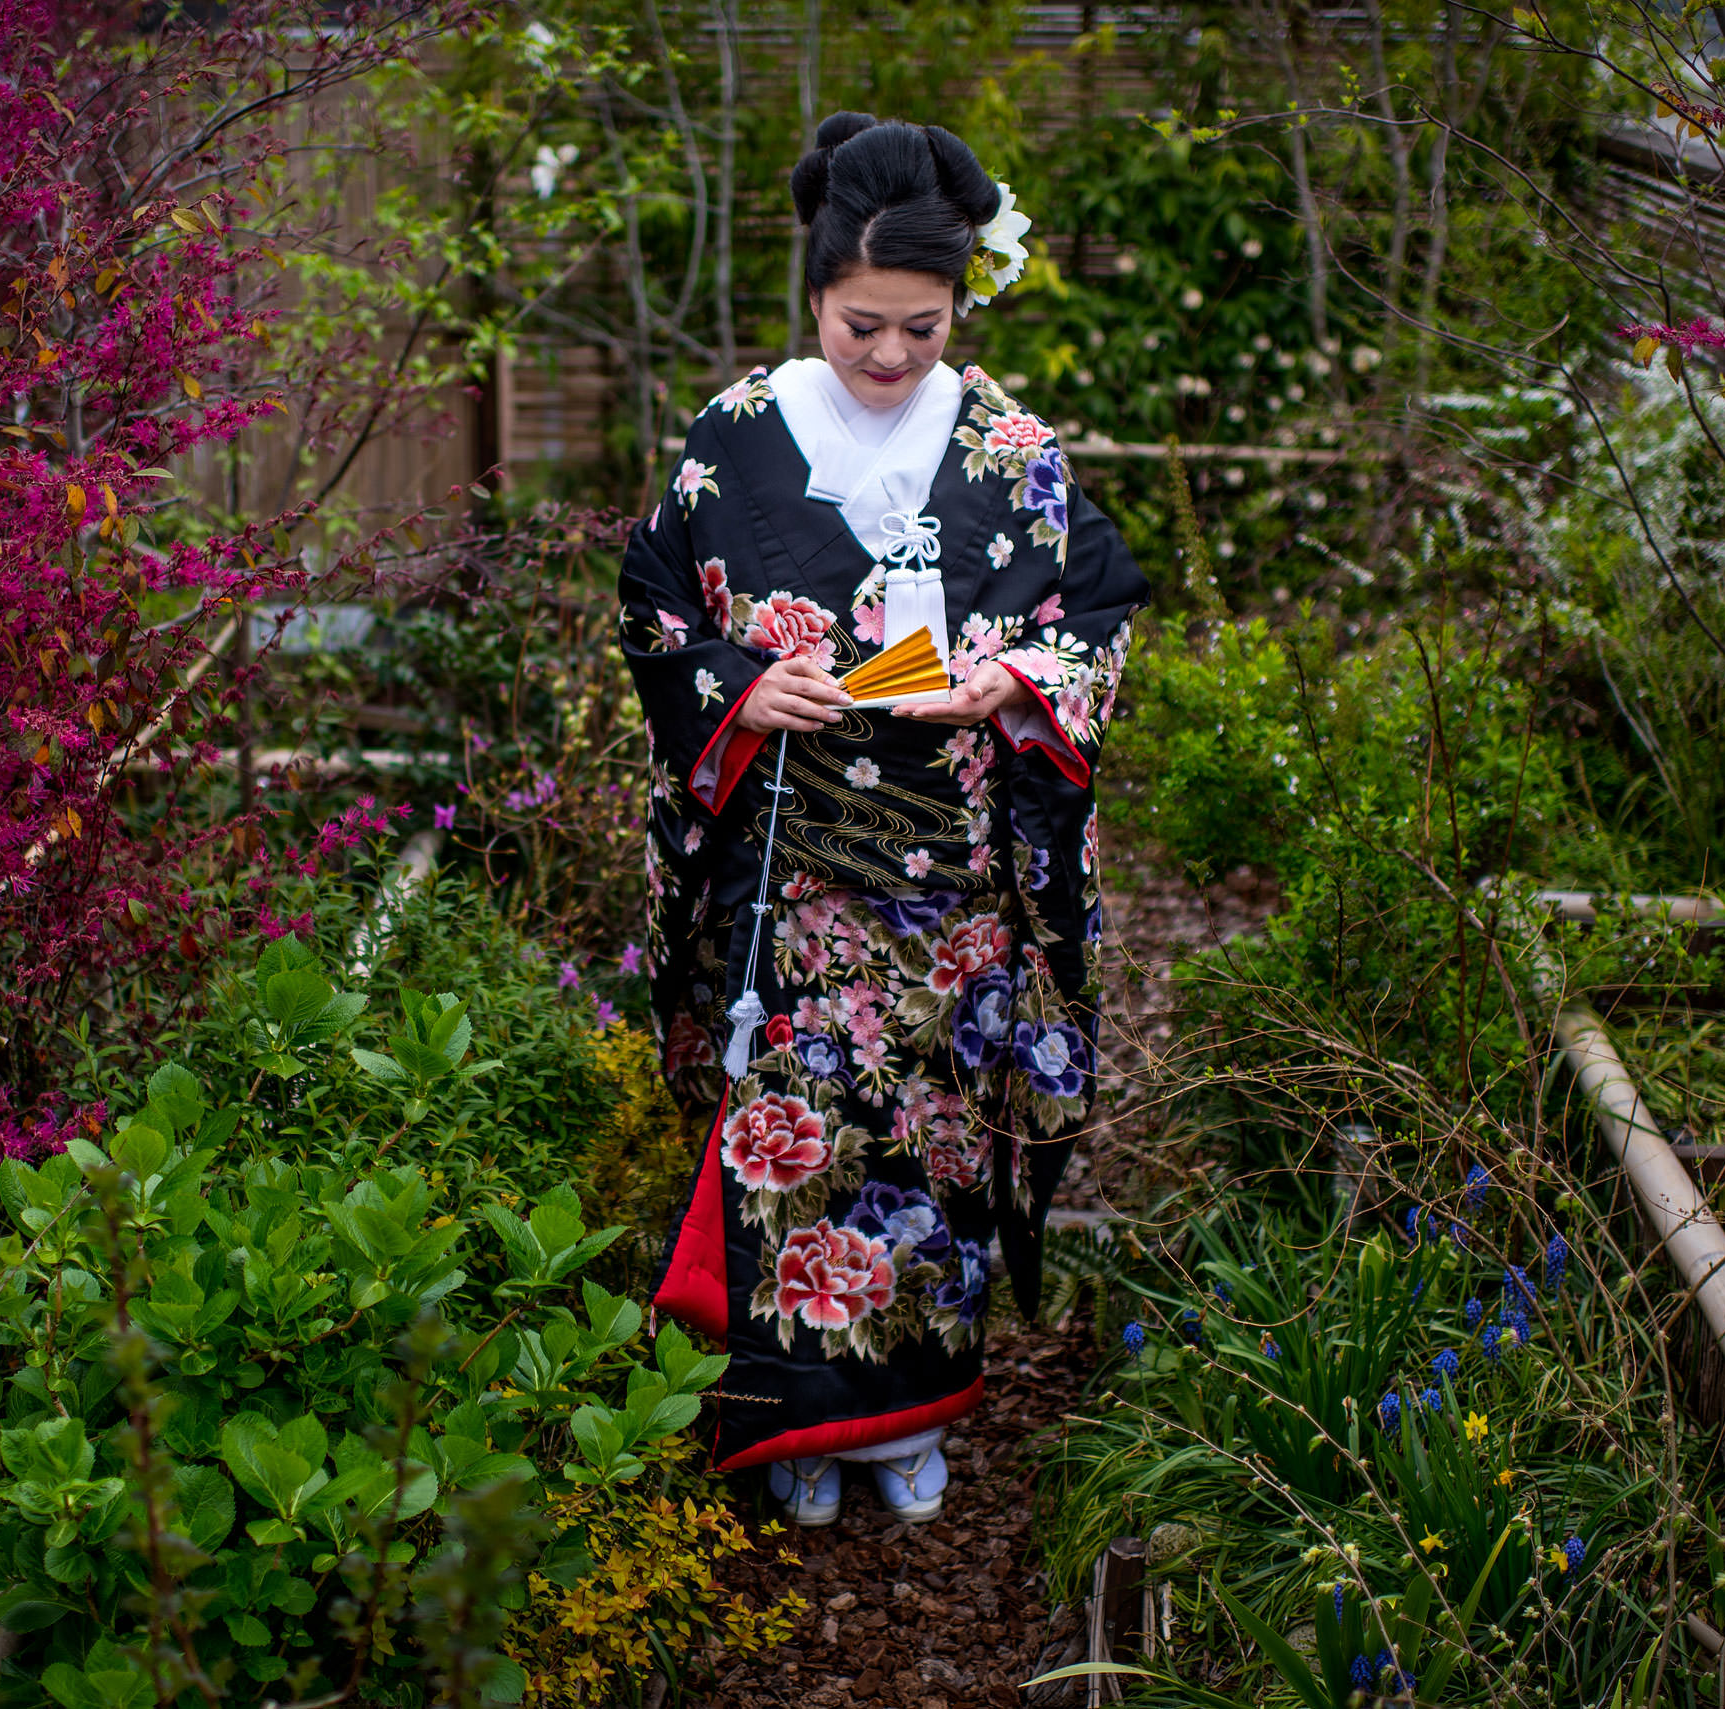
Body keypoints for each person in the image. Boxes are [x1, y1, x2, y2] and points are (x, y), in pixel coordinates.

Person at [622, 112, 1146, 1526]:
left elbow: (1092, 607)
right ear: (813, 298)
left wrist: (1014, 681)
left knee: (932, 1144)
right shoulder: (734, 440)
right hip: (792, 870)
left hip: (952, 881)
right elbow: (658, 611)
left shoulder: (1011, 447)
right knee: (791, 1134)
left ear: (960, 308)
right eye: (865, 325)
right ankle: (795, 1425)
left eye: (924, 327)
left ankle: (913, 1413)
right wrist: (738, 688)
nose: (893, 356)